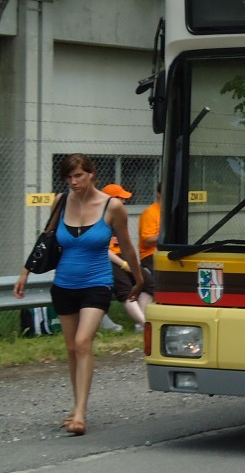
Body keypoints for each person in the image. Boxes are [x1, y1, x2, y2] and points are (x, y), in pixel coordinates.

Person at [12, 153, 143, 436]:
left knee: (84, 342)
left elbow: (129, 247)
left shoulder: (112, 207)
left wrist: (139, 277)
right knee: (72, 348)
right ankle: (75, 406)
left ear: (92, 174)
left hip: (96, 283)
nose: (74, 182)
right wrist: (25, 273)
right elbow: (45, 240)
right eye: (69, 177)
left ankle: (81, 414)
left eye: (79, 176)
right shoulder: (62, 201)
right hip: (64, 285)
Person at [102, 184, 147, 331]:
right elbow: (104, 250)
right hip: (107, 260)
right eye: (121, 198)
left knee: (148, 281)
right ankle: (144, 323)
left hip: (121, 257)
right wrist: (123, 264)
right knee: (125, 288)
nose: (124, 202)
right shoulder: (100, 218)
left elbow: (126, 245)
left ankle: (142, 321)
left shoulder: (119, 218)